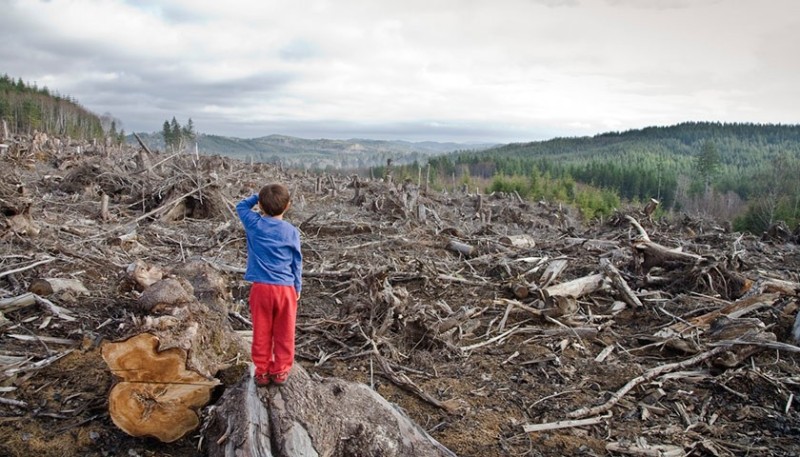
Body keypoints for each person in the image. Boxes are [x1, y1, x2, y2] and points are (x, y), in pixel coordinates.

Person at [236, 184, 302, 386]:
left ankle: (262, 372)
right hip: (286, 289)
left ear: (261, 207)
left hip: (261, 289)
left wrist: (259, 197)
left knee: (261, 332)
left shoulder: (254, 223)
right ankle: (281, 372)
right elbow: (296, 262)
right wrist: (297, 288)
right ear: (288, 206)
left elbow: (241, 206)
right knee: (285, 332)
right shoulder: (291, 231)